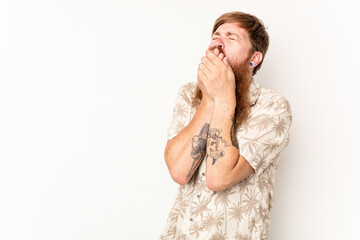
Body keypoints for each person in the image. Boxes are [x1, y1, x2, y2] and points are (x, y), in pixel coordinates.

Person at [160, 11, 292, 240]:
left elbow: (218, 179)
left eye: (231, 38)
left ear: (254, 59)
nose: (218, 43)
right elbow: (179, 172)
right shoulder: (188, 95)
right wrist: (209, 99)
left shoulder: (273, 107)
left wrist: (223, 99)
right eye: (216, 36)